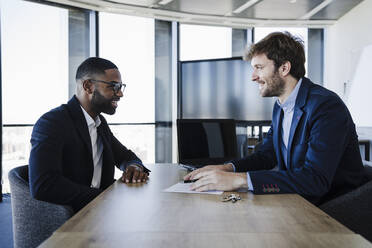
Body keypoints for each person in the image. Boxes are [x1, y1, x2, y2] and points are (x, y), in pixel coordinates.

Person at [184, 32, 367, 205]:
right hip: (300, 199)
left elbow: (315, 179)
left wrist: (240, 180)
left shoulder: (325, 106)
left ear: (284, 68)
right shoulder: (281, 106)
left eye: (259, 68)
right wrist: (227, 169)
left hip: (332, 206)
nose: (253, 77)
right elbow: (267, 155)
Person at [29, 57, 150, 212]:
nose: (120, 94)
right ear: (88, 86)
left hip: (103, 212)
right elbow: (44, 185)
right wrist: (105, 197)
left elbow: (125, 156)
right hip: (72, 217)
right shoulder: (53, 122)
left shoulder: (99, 123)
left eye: (121, 87)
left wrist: (134, 167)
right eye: (114, 86)